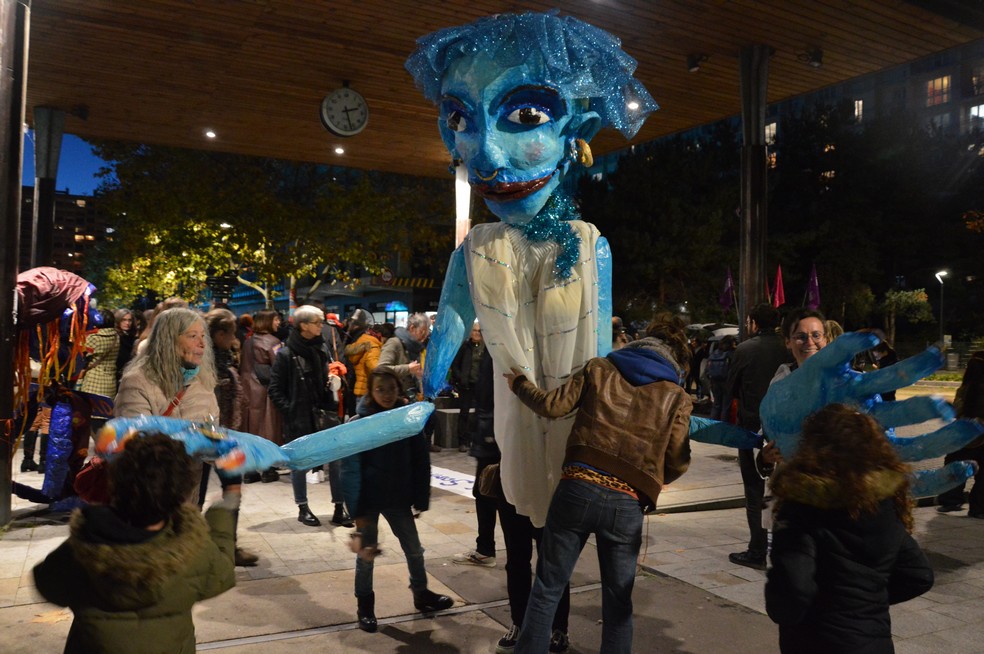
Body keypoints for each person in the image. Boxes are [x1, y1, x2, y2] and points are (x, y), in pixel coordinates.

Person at [406, 13, 659, 651]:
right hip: (512, 436)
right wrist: (421, 388)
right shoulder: (475, 250)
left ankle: (555, 633)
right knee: (524, 541)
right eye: (462, 120)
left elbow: (598, 357)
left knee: (562, 550)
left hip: (578, 439)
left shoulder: (587, 245)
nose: (483, 156)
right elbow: (450, 329)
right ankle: (533, 631)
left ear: (578, 133)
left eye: (523, 117)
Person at [504, 314, 692, 654]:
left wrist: (520, 384)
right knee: (618, 604)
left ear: (640, 340)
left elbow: (552, 405)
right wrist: (648, 477)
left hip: (578, 487)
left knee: (548, 587)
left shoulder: (600, 368)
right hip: (626, 504)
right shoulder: (676, 396)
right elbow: (677, 460)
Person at [33, 433, 236, 653]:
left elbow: (49, 586)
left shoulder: (83, 546)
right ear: (181, 494)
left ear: (117, 481)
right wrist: (226, 505)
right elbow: (222, 574)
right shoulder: (193, 552)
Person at [765, 404, 934, 654]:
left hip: (815, 641)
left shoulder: (801, 505)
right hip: (874, 642)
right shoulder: (882, 504)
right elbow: (918, 575)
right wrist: (865, 603)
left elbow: (794, 586)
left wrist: (783, 609)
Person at [340, 367, 454, 632]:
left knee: (414, 549)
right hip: (368, 500)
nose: (387, 395)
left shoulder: (408, 420)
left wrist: (420, 496)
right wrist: (354, 509)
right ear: (370, 391)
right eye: (380, 389)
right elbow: (349, 468)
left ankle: (421, 593)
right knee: (366, 555)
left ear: (399, 390)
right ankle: (365, 606)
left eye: (391, 389)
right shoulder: (360, 422)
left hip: (398, 498)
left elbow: (420, 460)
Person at [114, 307, 218, 506]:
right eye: (193, 336)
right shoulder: (137, 381)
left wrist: (228, 450)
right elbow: (136, 443)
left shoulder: (204, 383)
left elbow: (212, 436)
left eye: (203, 336)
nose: (202, 344)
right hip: (146, 498)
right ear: (169, 339)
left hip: (188, 497)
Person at [268, 305, 352, 528]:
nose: (321, 326)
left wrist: (333, 383)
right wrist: (291, 410)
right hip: (300, 418)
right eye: (317, 322)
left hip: (325, 413)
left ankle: (338, 507)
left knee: (336, 462)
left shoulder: (321, 348)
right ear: (303, 325)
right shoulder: (286, 354)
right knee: (300, 464)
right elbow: (274, 390)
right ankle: (303, 508)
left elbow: (324, 376)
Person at [722, 303, 790, 570]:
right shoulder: (787, 348)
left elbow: (731, 388)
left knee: (754, 491)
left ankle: (757, 550)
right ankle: (783, 547)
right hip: (784, 428)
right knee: (785, 489)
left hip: (751, 427)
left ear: (752, 322)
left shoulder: (745, 349)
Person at [198, 308, 258, 567]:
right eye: (232, 333)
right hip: (202, 437)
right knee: (194, 496)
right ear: (220, 334)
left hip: (226, 438)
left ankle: (227, 546)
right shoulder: (201, 361)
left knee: (233, 490)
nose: (235, 338)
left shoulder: (224, 357)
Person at [453, 347, 500, 567]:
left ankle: (485, 550)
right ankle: (486, 548)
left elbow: (488, 394)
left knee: (486, 492)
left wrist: (485, 433)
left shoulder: (497, 348)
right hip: (496, 429)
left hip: (493, 432)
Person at [377, 312, 435, 450]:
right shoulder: (395, 343)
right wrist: (407, 368)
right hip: (396, 401)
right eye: (422, 331)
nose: (424, 336)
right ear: (411, 328)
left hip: (410, 399)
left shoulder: (414, 348)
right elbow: (381, 369)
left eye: (426, 333)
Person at [937, 351, 984, 516]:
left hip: (963, 436)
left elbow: (957, 411)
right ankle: (979, 508)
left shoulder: (965, 388)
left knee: (955, 467)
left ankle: (950, 501)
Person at [239, 308, 283, 483]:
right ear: (267, 322)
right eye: (275, 319)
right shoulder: (273, 342)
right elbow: (280, 367)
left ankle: (250, 471)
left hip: (247, 389)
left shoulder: (248, 342)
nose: (278, 322)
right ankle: (268, 470)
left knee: (250, 427)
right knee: (268, 426)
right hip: (265, 392)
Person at [450, 321, 485, 452]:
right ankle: (463, 441)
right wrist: (460, 378)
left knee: (479, 414)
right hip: (466, 386)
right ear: (471, 332)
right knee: (464, 413)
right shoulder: (464, 347)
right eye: (475, 330)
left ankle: (475, 440)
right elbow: (455, 364)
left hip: (480, 386)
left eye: (479, 331)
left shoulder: (485, 348)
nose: (477, 333)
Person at [343, 308, 381, 410]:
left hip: (352, 389)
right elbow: (375, 367)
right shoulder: (371, 343)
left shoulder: (353, 341)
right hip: (366, 392)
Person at [78, 308, 121, 399]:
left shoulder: (94, 338)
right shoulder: (116, 336)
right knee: (105, 409)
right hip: (110, 381)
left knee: (91, 408)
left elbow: (80, 355)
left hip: (94, 380)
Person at [707, 335, 737, 421]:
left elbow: (707, 369)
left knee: (716, 405)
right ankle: (723, 426)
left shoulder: (714, 353)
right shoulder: (731, 353)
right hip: (727, 382)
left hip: (714, 381)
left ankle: (712, 424)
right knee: (725, 407)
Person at [113, 308, 137, 382]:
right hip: (115, 376)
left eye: (130, 320)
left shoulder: (132, 337)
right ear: (118, 321)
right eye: (124, 320)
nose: (127, 323)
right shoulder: (114, 337)